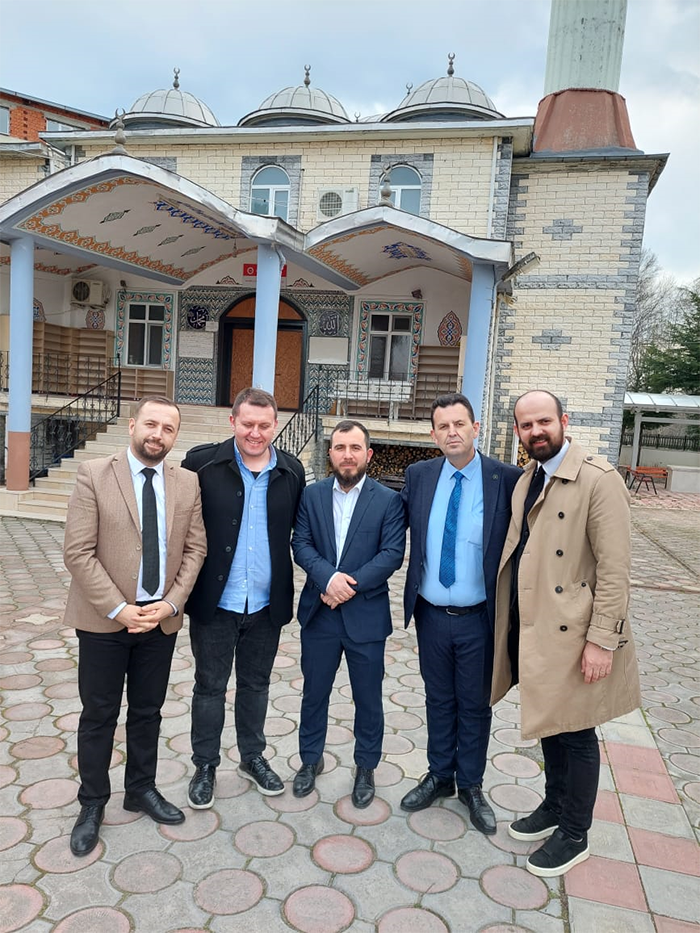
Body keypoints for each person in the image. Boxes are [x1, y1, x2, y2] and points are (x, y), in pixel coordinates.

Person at [492, 389, 641, 877]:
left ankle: (575, 833)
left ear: (564, 421)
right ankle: (555, 806)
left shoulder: (598, 480)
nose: (536, 431)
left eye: (544, 421)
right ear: (518, 431)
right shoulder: (528, 479)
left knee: (576, 733)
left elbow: (616, 571)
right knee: (551, 725)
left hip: (576, 634)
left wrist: (602, 641)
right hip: (537, 629)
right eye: (526, 425)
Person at [63, 396, 207, 857]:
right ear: (132, 426)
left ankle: (141, 788)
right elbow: (77, 552)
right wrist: (118, 608)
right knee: (99, 714)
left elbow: (195, 550)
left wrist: (170, 604)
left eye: (168, 428)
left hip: (158, 622)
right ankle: (92, 803)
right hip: (105, 620)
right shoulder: (94, 474)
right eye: (151, 424)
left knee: (148, 711)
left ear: (175, 436)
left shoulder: (187, 482)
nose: (157, 434)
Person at [400, 393, 520, 834]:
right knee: (438, 698)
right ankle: (439, 775)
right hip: (431, 615)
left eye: (459, 424)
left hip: (480, 618)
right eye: (443, 426)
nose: (452, 432)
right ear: (433, 434)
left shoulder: (506, 479)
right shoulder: (419, 476)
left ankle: (470, 784)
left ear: (475, 427)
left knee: (474, 704)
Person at [182, 387, 305, 808]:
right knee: (210, 687)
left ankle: (252, 757)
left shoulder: (292, 471)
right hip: (215, 602)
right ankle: (205, 765)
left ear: (276, 425)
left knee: (256, 685)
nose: (255, 433)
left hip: (266, 604)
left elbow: (299, 531)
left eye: (264, 425)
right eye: (247, 424)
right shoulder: (201, 463)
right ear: (233, 421)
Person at [291, 420, 406, 807]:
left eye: (355, 448)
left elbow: (391, 554)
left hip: (366, 618)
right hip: (320, 615)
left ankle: (366, 767)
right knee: (314, 694)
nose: (347, 455)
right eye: (340, 447)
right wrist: (328, 579)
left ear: (368, 454)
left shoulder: (388, 501)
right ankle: (310, 760)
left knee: (368, 699)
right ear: (330, 453)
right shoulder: (312, 496)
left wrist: (346, 587)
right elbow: (301, 544)